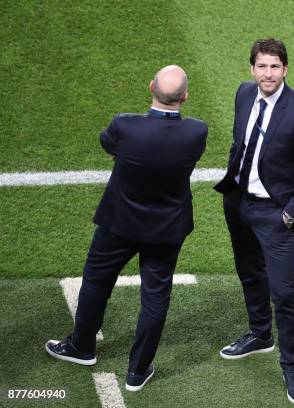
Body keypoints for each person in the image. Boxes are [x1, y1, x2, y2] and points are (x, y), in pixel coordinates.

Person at [45, 65, 207, 392]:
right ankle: (138, 371)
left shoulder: (125, 126)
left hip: (119, 223)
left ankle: (82, 347)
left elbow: (109, 145)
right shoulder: (196, 131)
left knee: (96, 280)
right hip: (166, 230)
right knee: (156, 296)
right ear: (185, 97)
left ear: (151, 87)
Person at [214, 38, 294, 404]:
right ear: (252, 69)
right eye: (262, 66)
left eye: (274, 67)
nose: (268, 73)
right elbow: (239, 144)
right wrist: (233, 187)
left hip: (275, 216)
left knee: (285, 293)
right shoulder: (243, 94)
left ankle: (291, 363)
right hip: (239, 205)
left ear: (285, 69)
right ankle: (261, 333)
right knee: (249, 273)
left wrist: (290, 214)